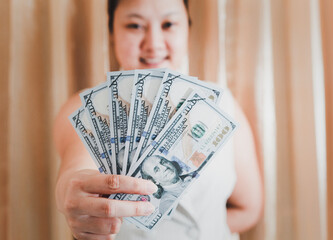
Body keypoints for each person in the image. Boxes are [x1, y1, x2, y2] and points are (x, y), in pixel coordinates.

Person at [54, 0, 264, 239]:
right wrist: (69, 192)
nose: (153, 44)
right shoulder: (87, 110)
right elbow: (75, 170)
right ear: (112, 31)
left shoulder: (222, 105)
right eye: (135, 25)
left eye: (168, 24)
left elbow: (249, 208)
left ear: (188, 29)